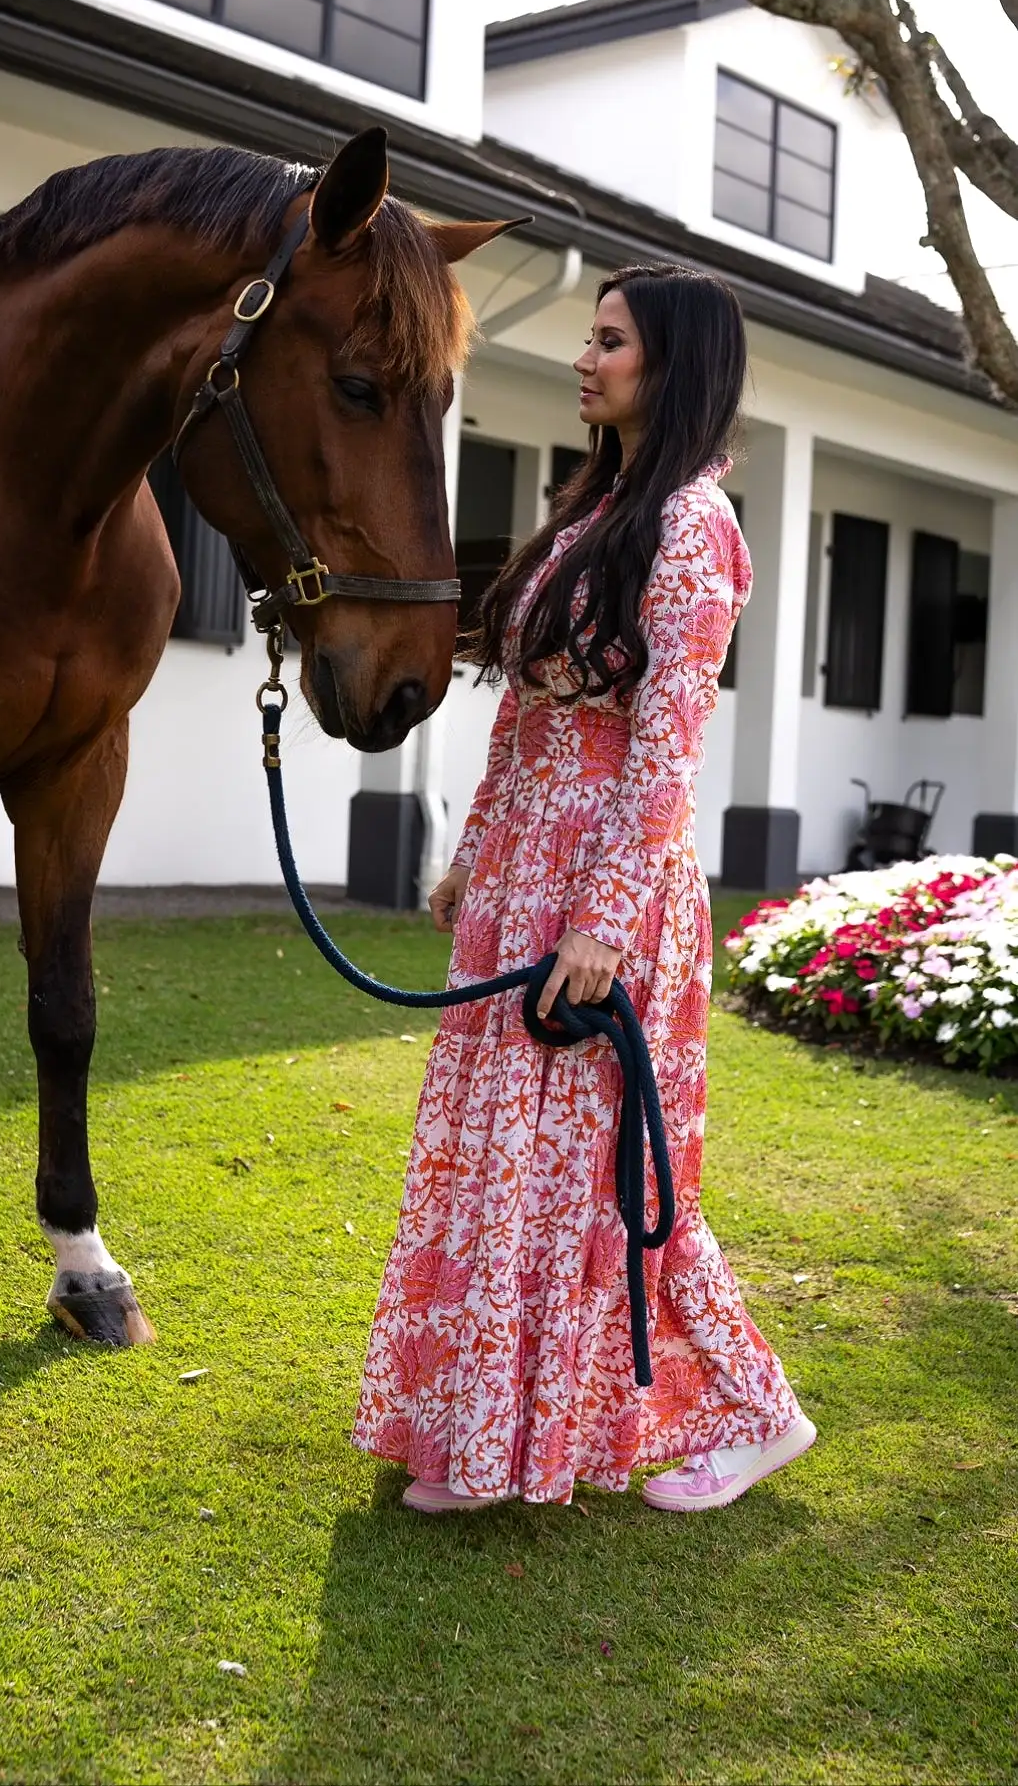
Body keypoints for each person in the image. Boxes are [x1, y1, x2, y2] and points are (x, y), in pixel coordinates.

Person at [353, 262, 814, 1515]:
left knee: (608, 1177)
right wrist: (475, 853)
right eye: (592, 336)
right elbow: (523, 717)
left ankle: (761, 1411)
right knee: (503, 1167)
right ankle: (476, 1439)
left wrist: (605, 926)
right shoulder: (589, 518)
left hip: (612, 892)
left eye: (610, 341)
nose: (586, 357)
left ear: (672, 366)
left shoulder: (692, 531)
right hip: (522, 880)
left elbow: (666, 750)